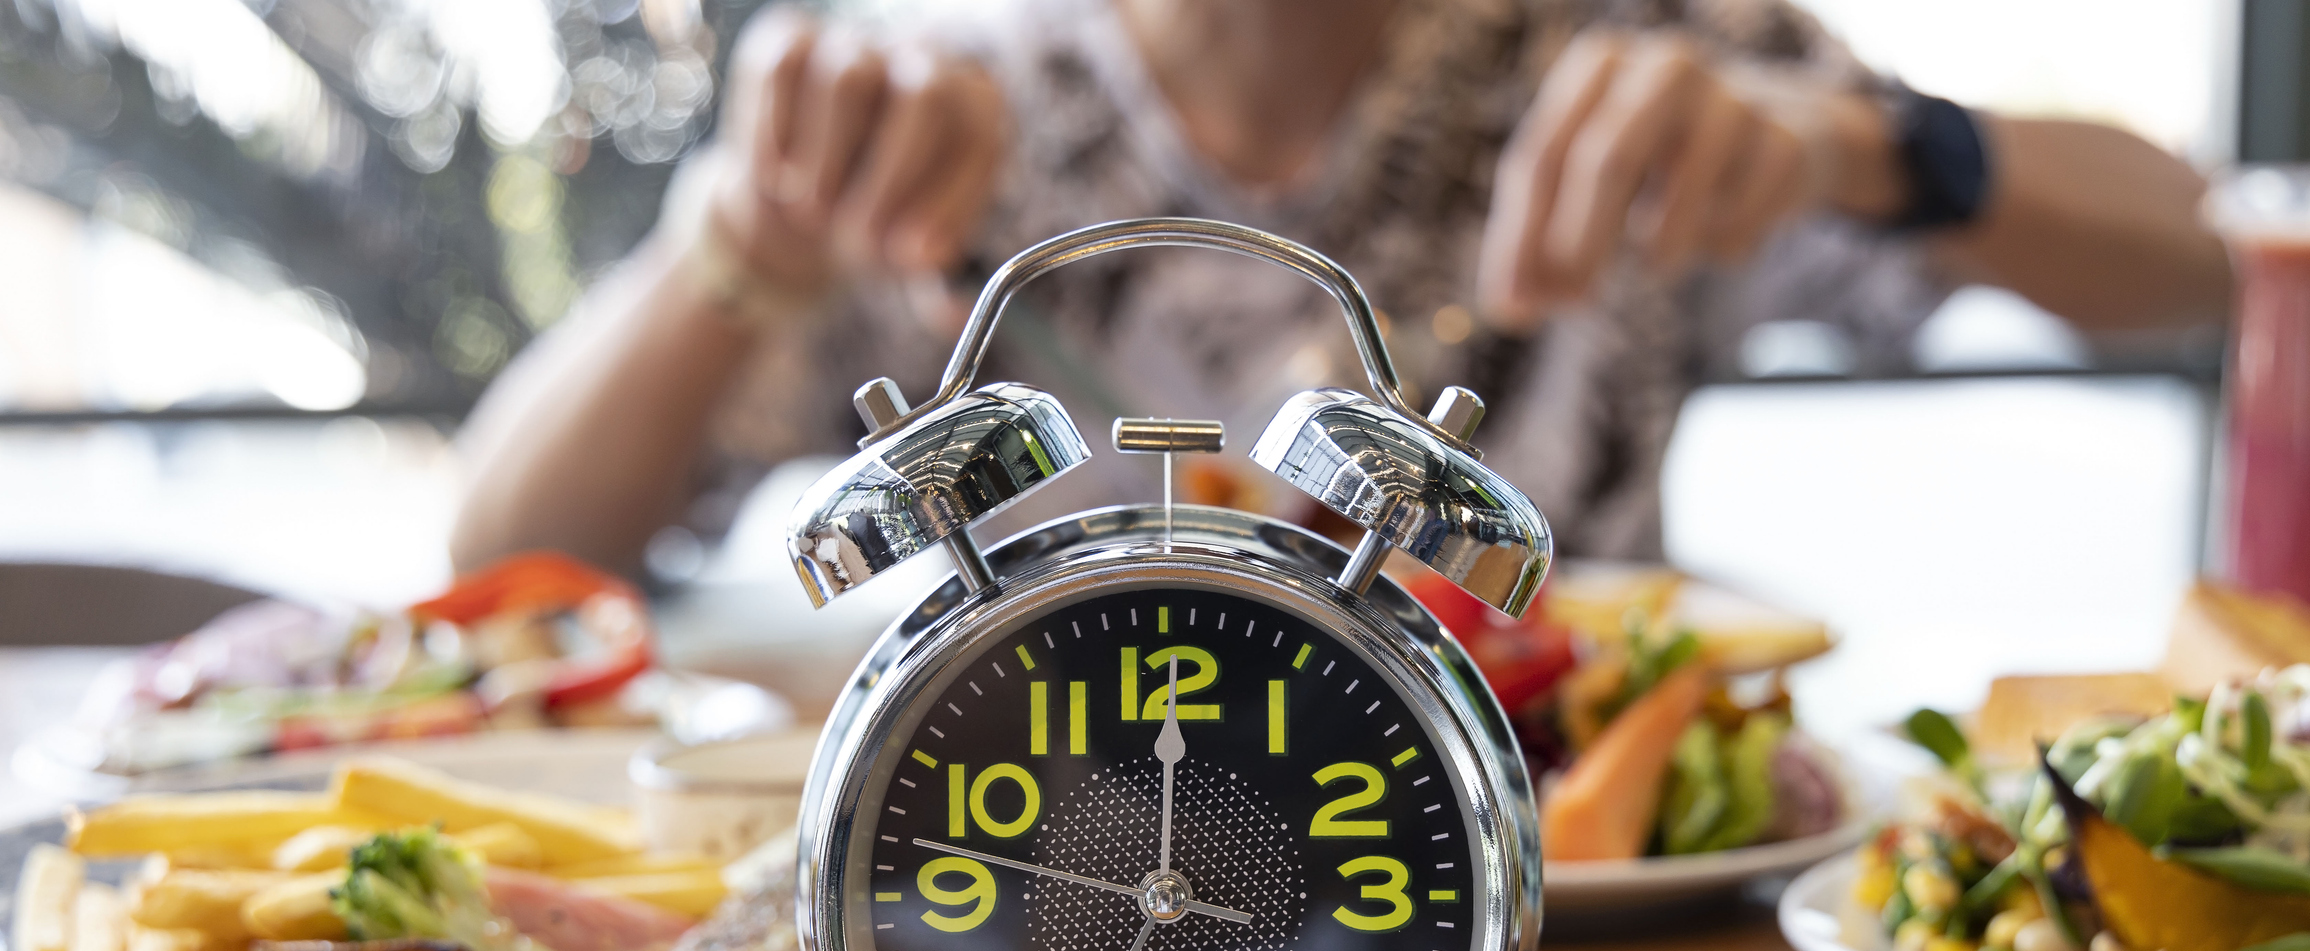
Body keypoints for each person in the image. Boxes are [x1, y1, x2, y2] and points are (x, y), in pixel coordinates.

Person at [450, 0, 2230, 578]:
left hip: (1575, 944)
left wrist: (1869, 140)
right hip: (1028, 913)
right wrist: (736, 250)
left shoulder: (1643, 63)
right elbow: (506, 554)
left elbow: (2189, 265)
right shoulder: (925, 97)